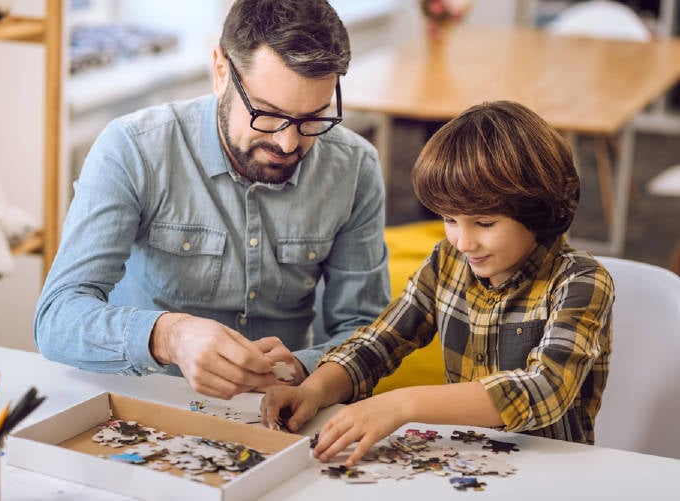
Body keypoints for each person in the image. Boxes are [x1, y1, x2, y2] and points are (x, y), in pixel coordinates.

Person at [34, 0, 390, 399]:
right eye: (268, 115)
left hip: (285, 411)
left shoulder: (354, 167)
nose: (289, 143)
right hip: (146, 405)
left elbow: (367, 331)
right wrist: (171, 336)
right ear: (220, 72)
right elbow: (57, 319)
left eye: (313, 118)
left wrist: (307, 367)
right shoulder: (134, 149)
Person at [261, 100, 615, 466]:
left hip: (554, 472)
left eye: (485, 223)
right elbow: (379, 342)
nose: (463, 241)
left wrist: (402, 404)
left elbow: (546, 388)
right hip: (464, 463)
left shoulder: (581, 281)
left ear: (539, 210)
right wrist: (313, 390)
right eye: (449, 219)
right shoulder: (448, 260)